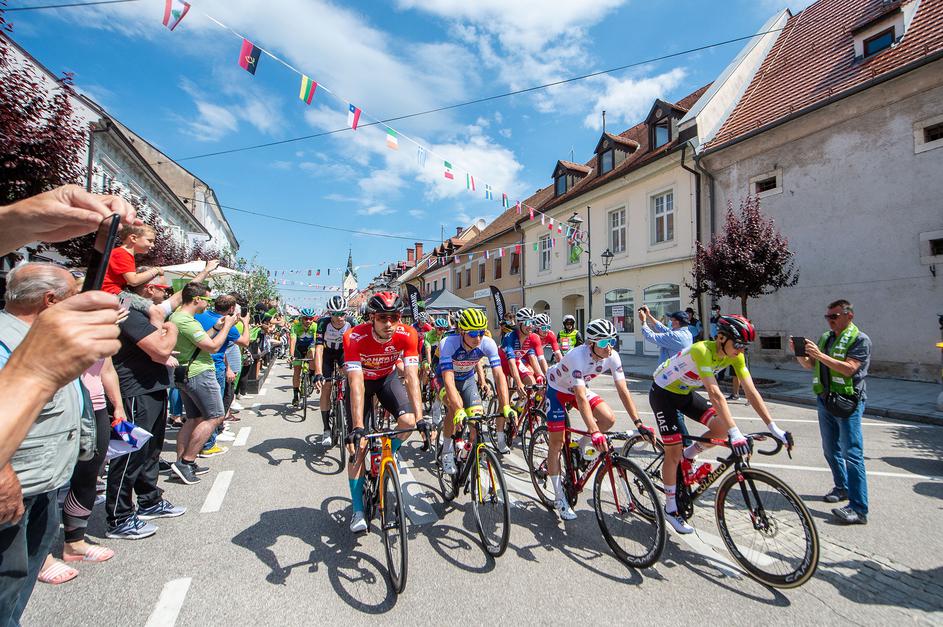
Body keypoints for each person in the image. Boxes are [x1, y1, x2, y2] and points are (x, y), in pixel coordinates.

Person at [0, 263, 90, 621]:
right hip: (15, 486)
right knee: (6, 586)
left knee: (20, 582)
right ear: (51, 301)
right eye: (73, 297)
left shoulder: (43, 337)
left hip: (44, 479)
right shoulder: (6, 340)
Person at [646, 315, 788, 533]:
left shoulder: (735, 356)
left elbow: (751, 392)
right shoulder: (702, 350)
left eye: (744, 346)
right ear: (721, 338)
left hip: (684, 393)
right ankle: (671, 508)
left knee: (719, 428)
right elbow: (715, 393)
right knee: (673, 453)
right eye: (738, 344)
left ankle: (689, 454)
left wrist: (774, 428)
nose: (740, 350)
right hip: (663, 393)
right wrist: (736, 433)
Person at [543, 319, 650, 520]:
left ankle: (577, 447)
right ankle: (559, 498)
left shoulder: (613, 356)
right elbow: (581, 397)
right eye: (603, 343)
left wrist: (638, 423)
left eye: (612, 341)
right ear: (591, 344)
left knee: (608, 419)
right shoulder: (577, 356)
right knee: (556, 443)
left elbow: (623, 390)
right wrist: (594, 431)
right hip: (558, 390)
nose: (609, 347)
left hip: (577, 389)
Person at [105, 276, 185, 540]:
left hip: (151, 388)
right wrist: (170, 327)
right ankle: (119, 517)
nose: (169, 294)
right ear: (148, 289)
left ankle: (150, 501)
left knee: (151, 450)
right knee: (129, 455)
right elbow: (160, 348)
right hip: (134, 391)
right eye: (165, 289)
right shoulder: (129, 313)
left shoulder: (141, 312)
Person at [342, 292, 422, 533]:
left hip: (386, 379)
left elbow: (411, 377)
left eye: (395, 317)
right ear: (371, 317)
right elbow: (355, 382)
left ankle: (390, 452)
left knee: (408, 421)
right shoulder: (354, 336)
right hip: (362, 385)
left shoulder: (408, 334)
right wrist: (357, 427)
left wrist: (421, 417)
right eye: (382, 318)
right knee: (360, 446)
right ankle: (357, 510)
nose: (389, 324)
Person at [792, 299, 871, 525]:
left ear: (849, 315)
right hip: (825, 398)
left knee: (852, 454)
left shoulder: (860, 339)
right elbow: (811, 365)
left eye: (834, 317)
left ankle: (859, 509)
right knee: (830, 449)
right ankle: (842, 487)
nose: (830, 321)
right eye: (828, 317)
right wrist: (800, 355)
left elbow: (848, 369)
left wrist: (818, 355)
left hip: (848, 401)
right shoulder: (827, 338)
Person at [169, 282, 236, 485]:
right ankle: (186, 461)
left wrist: (216, 327)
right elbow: (213, 347)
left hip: (186, 373)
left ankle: (181, 463)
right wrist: (227, 327)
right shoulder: (186, 321)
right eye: (206, 299)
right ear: (197, 299)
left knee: (193, 419)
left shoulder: (181, 318)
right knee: (215, 416)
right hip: (199, 373)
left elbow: (202, 341)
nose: (208, 304)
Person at [438, 309, 516, 473]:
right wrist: (459, 408)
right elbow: (448, 379)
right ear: (462, 331)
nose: (478, 338)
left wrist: (506, 405)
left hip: (467, 379)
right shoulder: (449, 343)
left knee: (477, 420)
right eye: (473, 333)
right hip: (445, 380)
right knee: (453, 410)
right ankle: (446, 452)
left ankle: (468, 452)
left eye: (481, 332)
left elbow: (499, 374)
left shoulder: (487, 343)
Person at [195, 294, 250, 455]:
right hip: (215, 366)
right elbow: (245, 341)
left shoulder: (199, 316)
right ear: (232, 309)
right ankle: (208, 444)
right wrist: (245, 323)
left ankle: (201, 441)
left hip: (197, 364)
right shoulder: (226, 323)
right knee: (215, 410)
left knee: (200, 411)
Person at [312, 295, 351, 446]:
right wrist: (318, 373)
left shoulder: (351, 322)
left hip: (344, 352)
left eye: (342, 313)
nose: (340, 317)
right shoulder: (323, 323)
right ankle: (326, 429)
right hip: (327, 353)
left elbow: (356, 347)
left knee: (351, 379)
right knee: (326, 387)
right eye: (335, 314)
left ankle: (347, 408)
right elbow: (319, 349)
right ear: (330, 314)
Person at [499, 307, 544, 417]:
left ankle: (518, 409)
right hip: (502, 365)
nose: (531, 326)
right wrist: (518, 382)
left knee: (531, 385)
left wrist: (541, 375)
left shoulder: (532, 337)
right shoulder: (509, 337)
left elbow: (534, 358)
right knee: (504, 401)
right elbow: (511, 362)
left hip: (516, 362)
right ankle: (500, 432)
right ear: (519, 324)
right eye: (528, 322)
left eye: (533, 322)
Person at [289, 309, 318, 408]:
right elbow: (293, 341)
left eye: (311, 318)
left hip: (310, 347)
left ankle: (311, 375)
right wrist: (291, 355)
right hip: (298, 348)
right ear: (302, 318)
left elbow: (316, 341)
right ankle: (295, 395)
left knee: (313, 352)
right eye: (306, 318)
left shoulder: (315, 326)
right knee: (297, 371)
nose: (308, 321)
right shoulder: (295, 326)